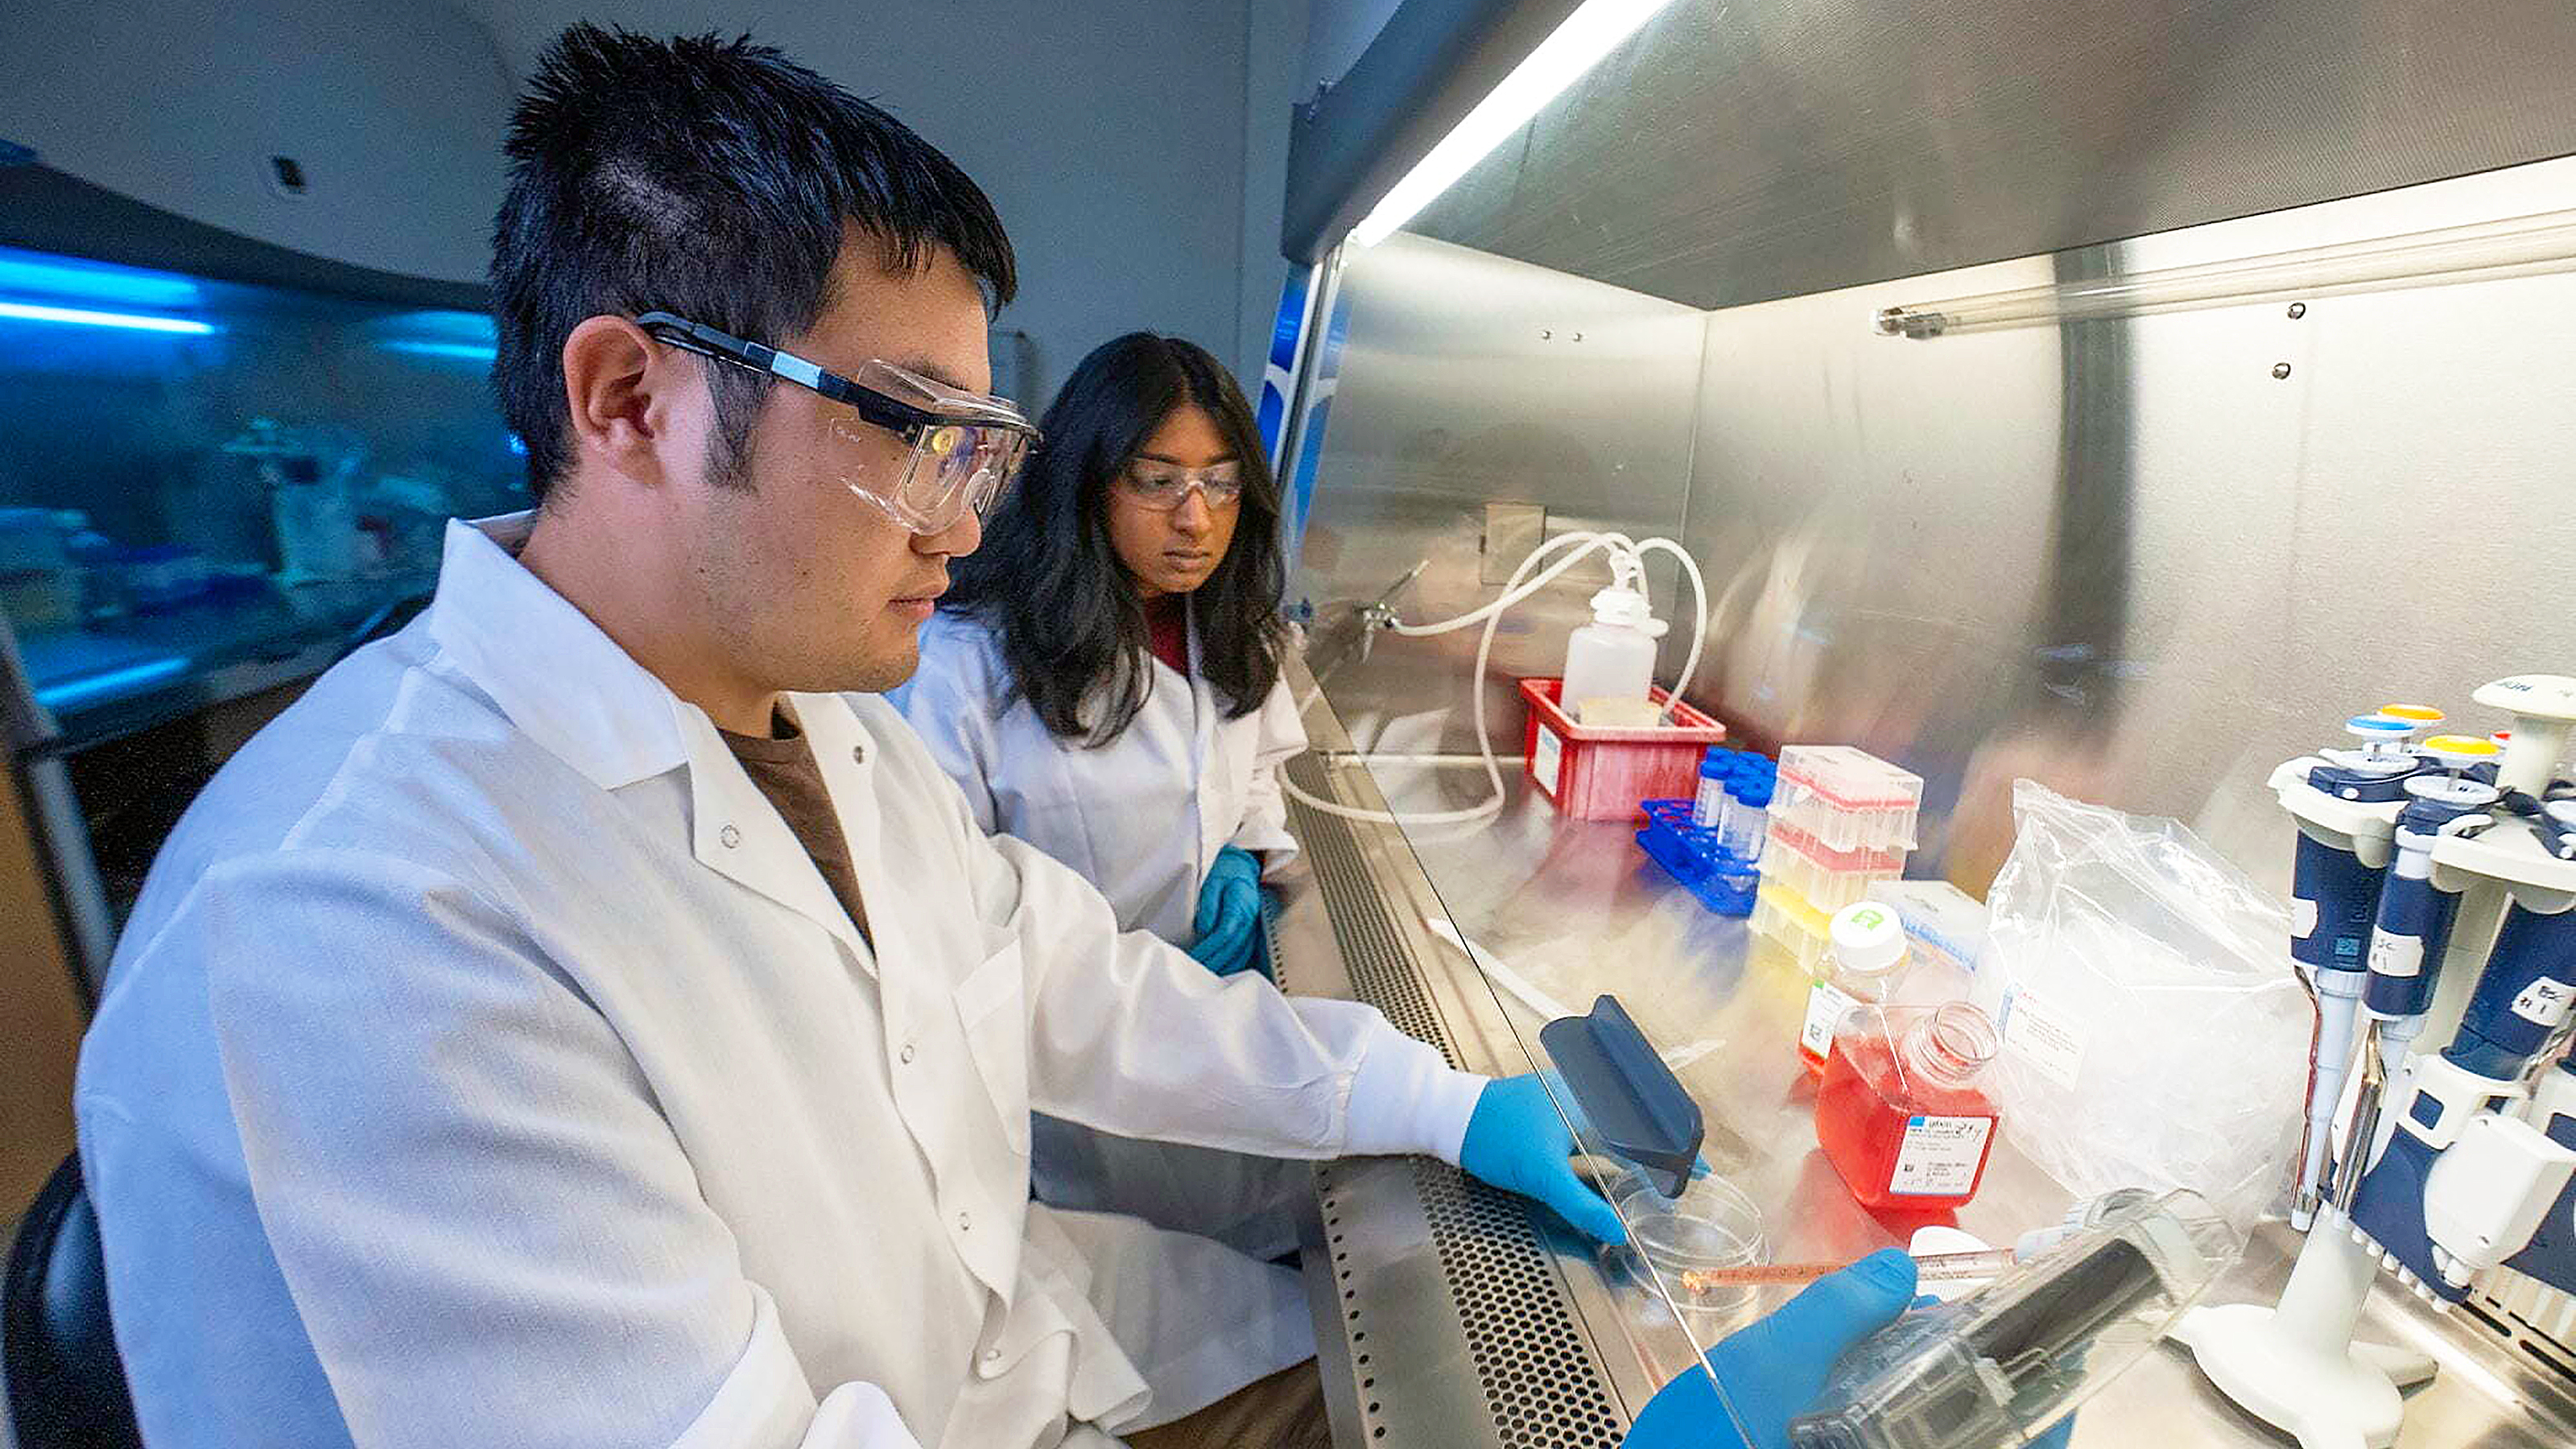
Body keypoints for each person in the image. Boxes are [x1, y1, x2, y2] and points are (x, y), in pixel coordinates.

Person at [72, 24, 1915, 1449]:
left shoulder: (805, 715)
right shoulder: (367, 920)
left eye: (987, 445)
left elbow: (1055, 977)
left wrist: (1446, 1099)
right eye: (913, 432)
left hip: (1013, 1348)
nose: (964, 520)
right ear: (630, 398)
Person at [895, 334, 1309, 1269]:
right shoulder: (973, 659)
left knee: (1253, 1276)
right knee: (1121, 1286)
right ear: (1088, 484)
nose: (1195, 519)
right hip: (1059, 1063)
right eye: (1156, 481)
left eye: (1220, 482)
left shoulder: (1238, 633)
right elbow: (932, 899)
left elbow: (1251, 780)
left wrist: (1244, 856)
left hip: (1210, 1029)